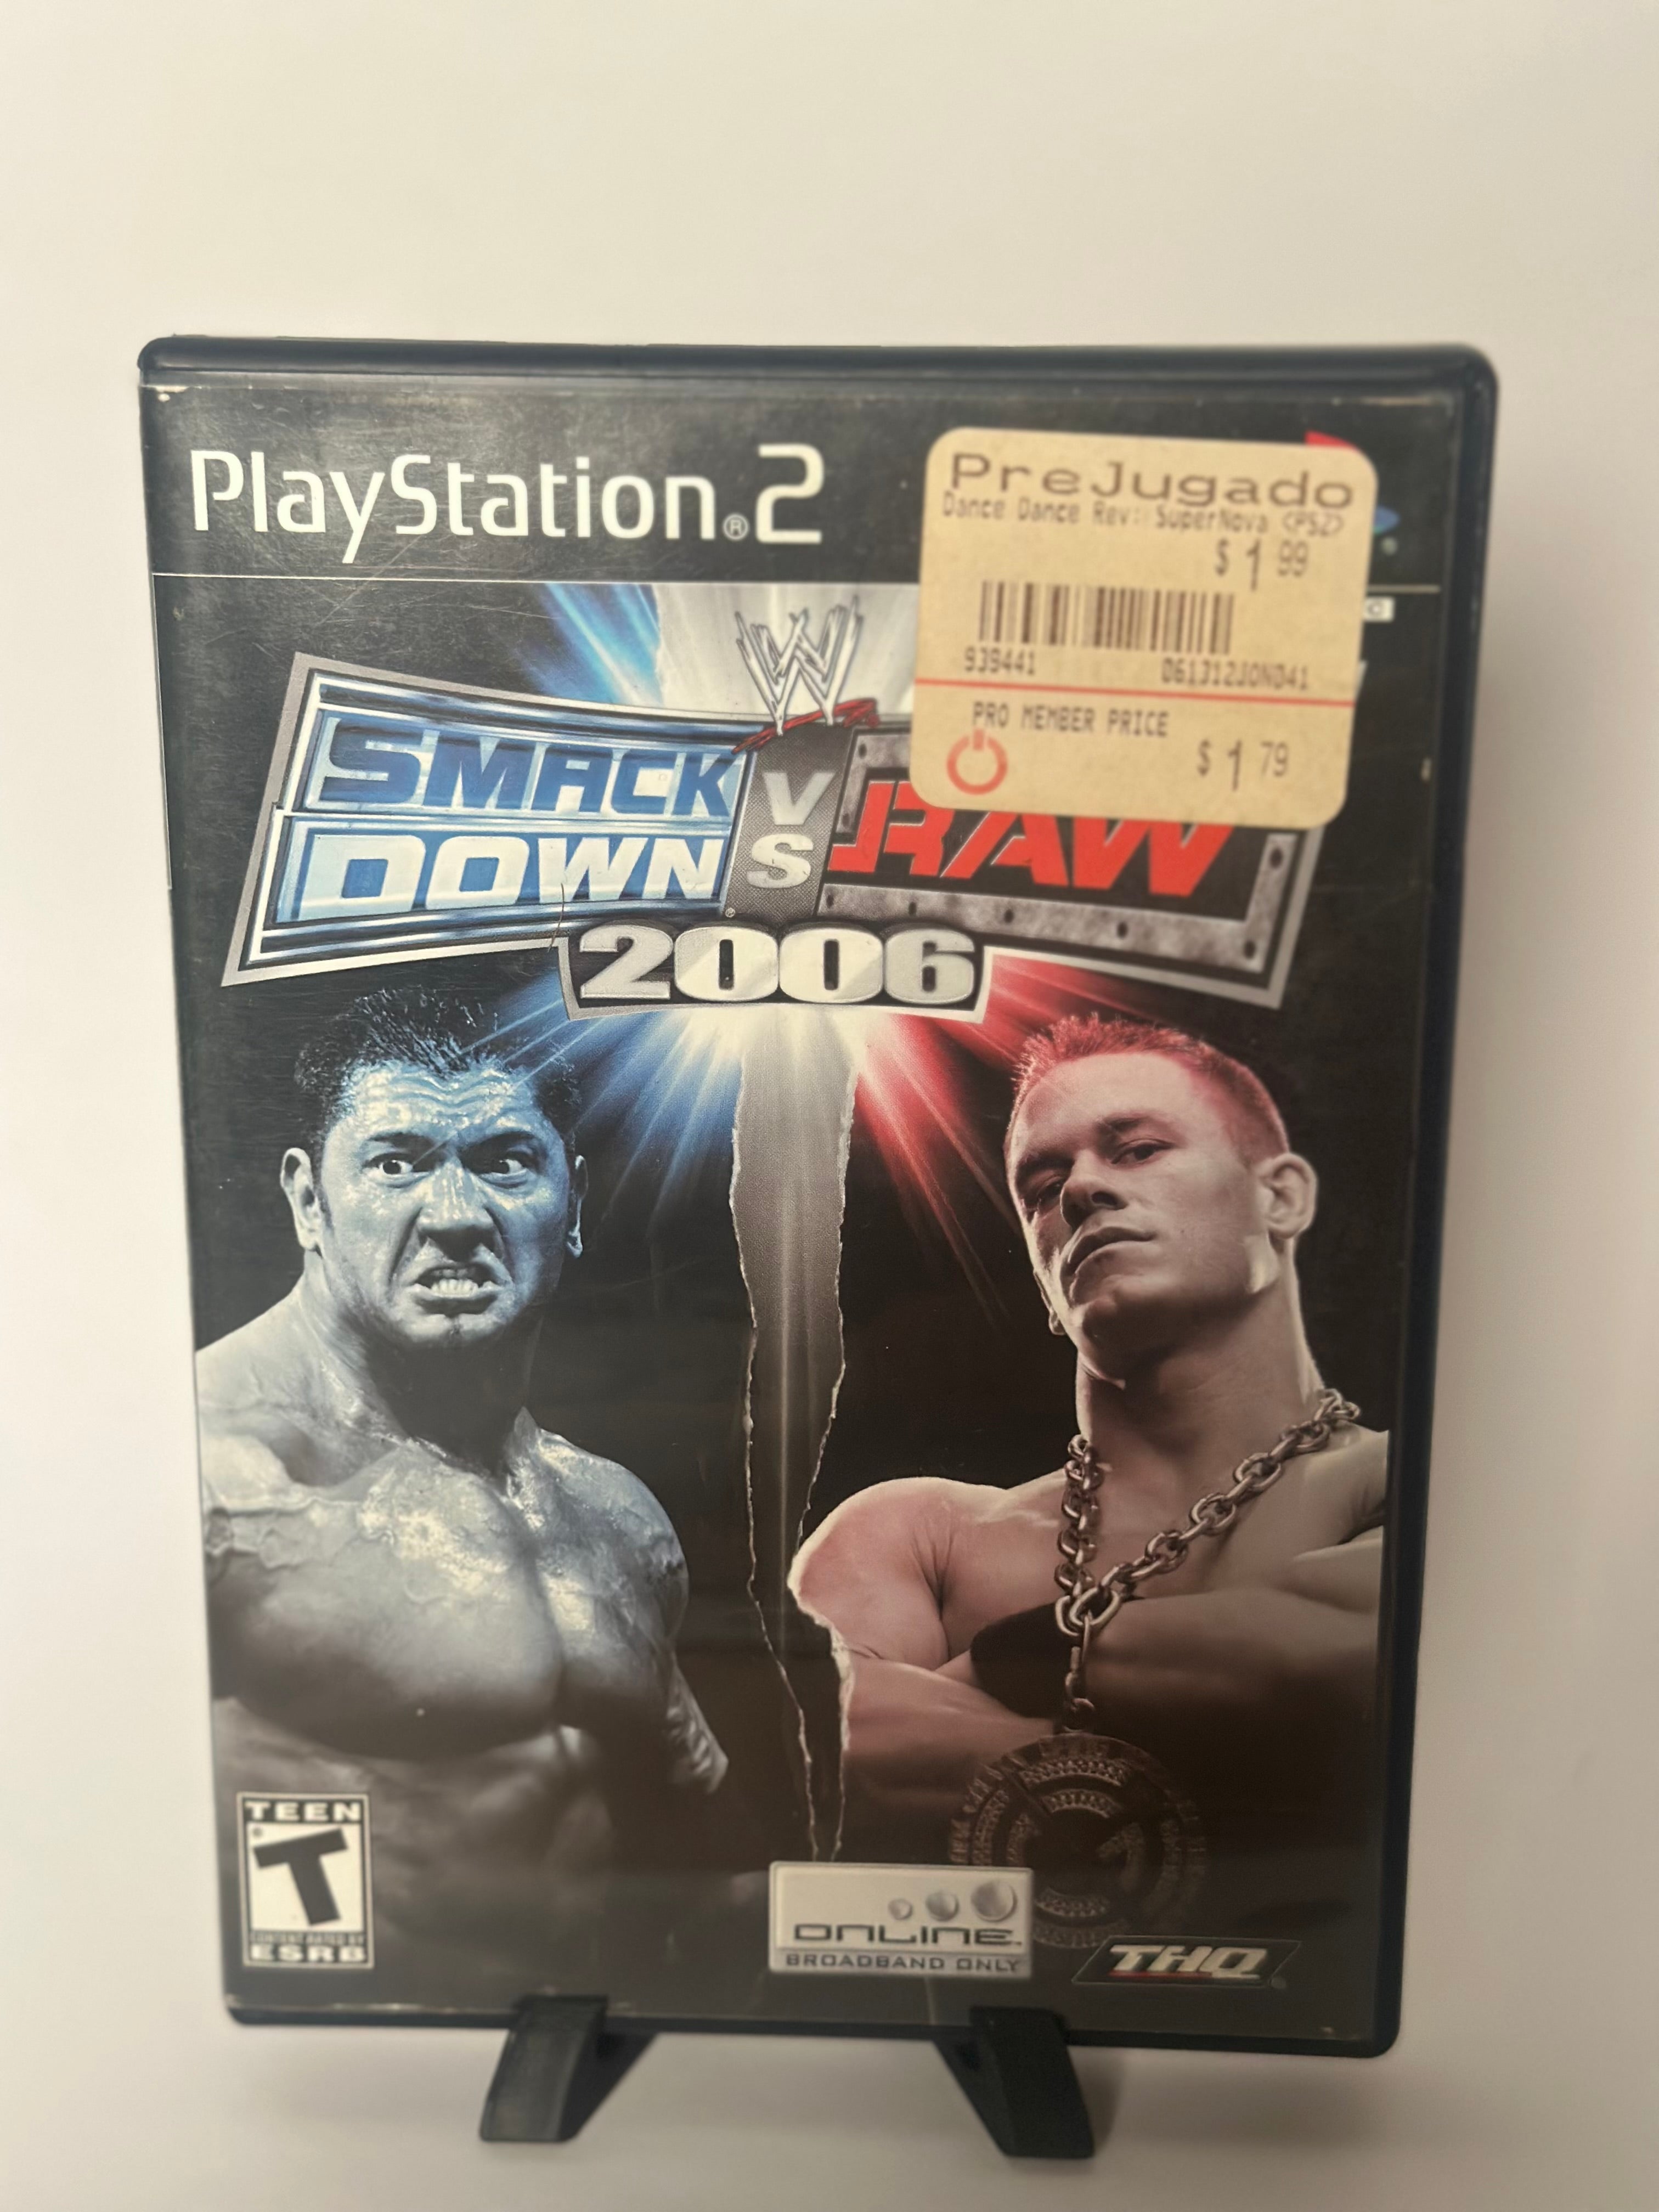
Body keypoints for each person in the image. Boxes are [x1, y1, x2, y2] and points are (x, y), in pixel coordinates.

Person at [793, 1014, 1384, 1926]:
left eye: (1138, 1149)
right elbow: (805, 1735)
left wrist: (994, 1672)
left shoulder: (1403, 1483)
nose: (1080, 1191)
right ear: (1042, 1281)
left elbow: (1334, 1667)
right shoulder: (919, 1533)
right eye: (1043, 1186)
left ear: (1282, 1198)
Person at [198, 985, 725, 1999]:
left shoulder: (614, 1516)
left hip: (581, 2052)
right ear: (308, 1201)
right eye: (396, 1164)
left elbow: (695, 1847)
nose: (454, 1217)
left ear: (575, 1201)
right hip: (318, 2069)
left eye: (505, 1161)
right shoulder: (212, 1473)